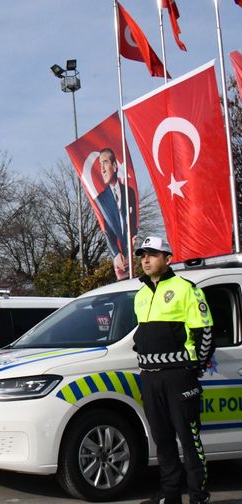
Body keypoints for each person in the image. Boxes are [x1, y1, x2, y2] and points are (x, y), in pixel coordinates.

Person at [133, 236, 214, 504]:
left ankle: (198, 496)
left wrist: (194, 367)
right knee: (163, 440)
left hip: (179, 375)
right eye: (143, 255)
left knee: (189, 439)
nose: (146, 260)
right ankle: (170, 495)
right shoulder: (140, 294)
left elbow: (205, 332)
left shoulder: (186, 288)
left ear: (168, 259)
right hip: (150, 376)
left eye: (152, 254)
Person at [95, 148, 139, 280]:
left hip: (130, 253)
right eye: (100, 165)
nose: (102, 170)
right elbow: (106, 230)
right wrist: (115, 253)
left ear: (114, 166)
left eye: (105, 163)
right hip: (118, 256)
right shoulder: (101, 199)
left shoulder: (129, 192)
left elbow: (133, 223)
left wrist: (131, 246)